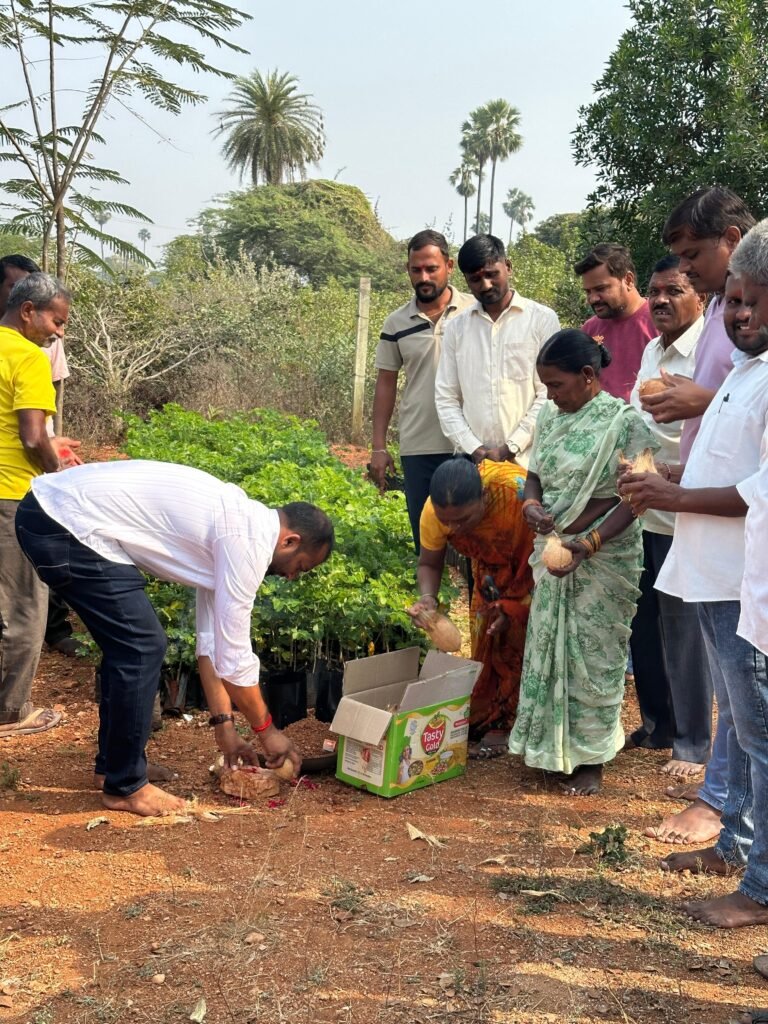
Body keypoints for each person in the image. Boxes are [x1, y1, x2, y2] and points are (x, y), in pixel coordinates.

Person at [15, 458, 334, 818]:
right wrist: (267, 730)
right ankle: (125, 787)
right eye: (301, 567)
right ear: (290, 541)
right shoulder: (247, 544)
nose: (292, 577)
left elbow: (211, 641)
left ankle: (114, 769)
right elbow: (235, 658)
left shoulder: (240, 527)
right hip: (63, 521)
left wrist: (224, 727)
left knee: (132, 645)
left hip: (57, 515)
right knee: (141, 646)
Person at [620, 225, 768, 927]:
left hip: (746, 583)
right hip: (713, 577)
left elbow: (757, 493)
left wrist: (672, 497)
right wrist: (668, 475)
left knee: (758, 734)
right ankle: (734, 848)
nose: (739, 314)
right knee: (739, 727)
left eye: (754, 302)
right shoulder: (741, 373)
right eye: (734, 301)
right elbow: (725, 467)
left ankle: (760, 885)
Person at [638, 187, 756, 843]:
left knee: (743, 694)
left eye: (693, 255)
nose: (685, 270)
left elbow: (749, 413)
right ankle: (722, 807)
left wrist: (698, 405)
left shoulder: (744, 320)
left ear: (733, 242)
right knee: (732, 686)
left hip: (736, 525)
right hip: (709, 517)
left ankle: (726, 817)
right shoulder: (719, 313)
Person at [508, 329, 656, 796]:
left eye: (556, 385)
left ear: (588, 376)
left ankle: (591, 757)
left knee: (594, 659)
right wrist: (532, 506)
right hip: (554, 550)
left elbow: (633, 497)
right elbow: (533, 475)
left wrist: (586, 544)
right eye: (546, 386)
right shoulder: (552, 418)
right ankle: (552, 751)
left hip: (603, 558)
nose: (550, 396)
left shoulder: (625, 423)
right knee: (550, 653)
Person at [625, 255, 711, 780]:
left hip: (687, 506)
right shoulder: (654, 349)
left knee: (683, 630)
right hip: (647, 503)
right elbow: (642, 421)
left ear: (697, 295)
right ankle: (658, 724)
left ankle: (694, 742)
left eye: (673, 290)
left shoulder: (708, 349)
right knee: (647, 623)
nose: (659, 301)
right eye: (654, 292)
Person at [407, 457, 534, 757]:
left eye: (463, 520)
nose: (452, 527)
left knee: (525, 640)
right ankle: (496, 721)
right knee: (487, 641)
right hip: (488, 573)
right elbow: (429, 563)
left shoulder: (515, 494)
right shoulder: (432, 513)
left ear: (485, 498)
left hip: (533, 571)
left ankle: (526, 723)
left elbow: (544, 554)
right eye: (446, 520)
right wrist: (428, 599)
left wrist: (515, 607)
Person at [0, 273, 78, 740]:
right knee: (26, 605)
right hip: (11, 493)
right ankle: (11, 711)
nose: (59, 332)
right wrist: (59, 471)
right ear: (29, 310)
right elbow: (31, 438)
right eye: (57, 320)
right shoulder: (29, 357)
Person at [370, 230, 473, 549]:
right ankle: (433, 598)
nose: (424, 276)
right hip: (420, 445)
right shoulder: (396, 323)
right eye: (416, 270)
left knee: (477, 538)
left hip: (471, 443)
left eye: (432, 268)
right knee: (427, 539)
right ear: (408, 270)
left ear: (449, 265)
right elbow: (385, 383)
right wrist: (378, 447)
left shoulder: (476, 311)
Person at [435, 234, 560, 468]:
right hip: (472, 463)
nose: (486, 285)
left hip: (531, 462)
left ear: (508, 267)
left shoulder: (542, 320)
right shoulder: (456, 328)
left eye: (492, 274)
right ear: (466, 280)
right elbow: (446, 397)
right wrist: (475, 448)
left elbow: (550, 393)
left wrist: (511, 446)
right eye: (475, 279)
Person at [576, 244, 655, 401]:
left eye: (600, 289)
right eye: (588, 291)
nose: (592, 299)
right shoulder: (589, 329)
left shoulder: (659, 324)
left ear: (628, 280)